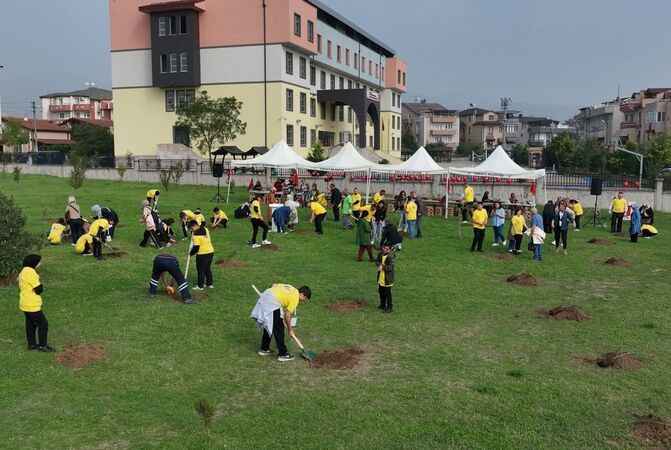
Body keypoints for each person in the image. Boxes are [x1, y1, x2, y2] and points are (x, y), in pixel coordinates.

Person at [251, 283, 312, 362]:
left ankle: (264, 349)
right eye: (305, 299)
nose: (303, 301)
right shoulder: (295, 298)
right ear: (303, 295)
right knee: (279, 328)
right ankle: (283, 354)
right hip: (271, 303)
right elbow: (287, 315)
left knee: (270, 325)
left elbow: (274, 285)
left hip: (267, 296)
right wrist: (290, 329)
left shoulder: (291, 288)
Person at [19, 254, 54, 352]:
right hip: (32, 304)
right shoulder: (31, 272)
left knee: (30, 324)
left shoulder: (23, 271)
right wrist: (39, 282)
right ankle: (43, 345)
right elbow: (39, 290)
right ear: (34, 263)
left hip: (24, 303)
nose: (40, 263)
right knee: (43, 324)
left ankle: (32, 345)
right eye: (39, 262)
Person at [189, 220, 214, 290]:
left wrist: (191, 253)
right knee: (207, 268)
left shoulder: (196, 235)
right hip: (210, 251)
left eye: (191, 228)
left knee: (201, 270)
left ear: (194, 226)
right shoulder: (205, 229)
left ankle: (200, 286)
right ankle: (209, 284)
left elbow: (196, 248)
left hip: (202, 254)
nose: (192, 230)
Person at [377, 245, 395, 313]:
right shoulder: (380, 254)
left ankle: (390, 307)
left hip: (387, 279)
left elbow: (390, 268)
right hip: (381, 277)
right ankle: (383, 305)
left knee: (388, 294)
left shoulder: (391, 257)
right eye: (384, 248)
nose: (385, 249)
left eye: (387, 249)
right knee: (381, 292)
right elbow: (377, 261)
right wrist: (379, 265)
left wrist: (382, 267)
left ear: (389, 250)